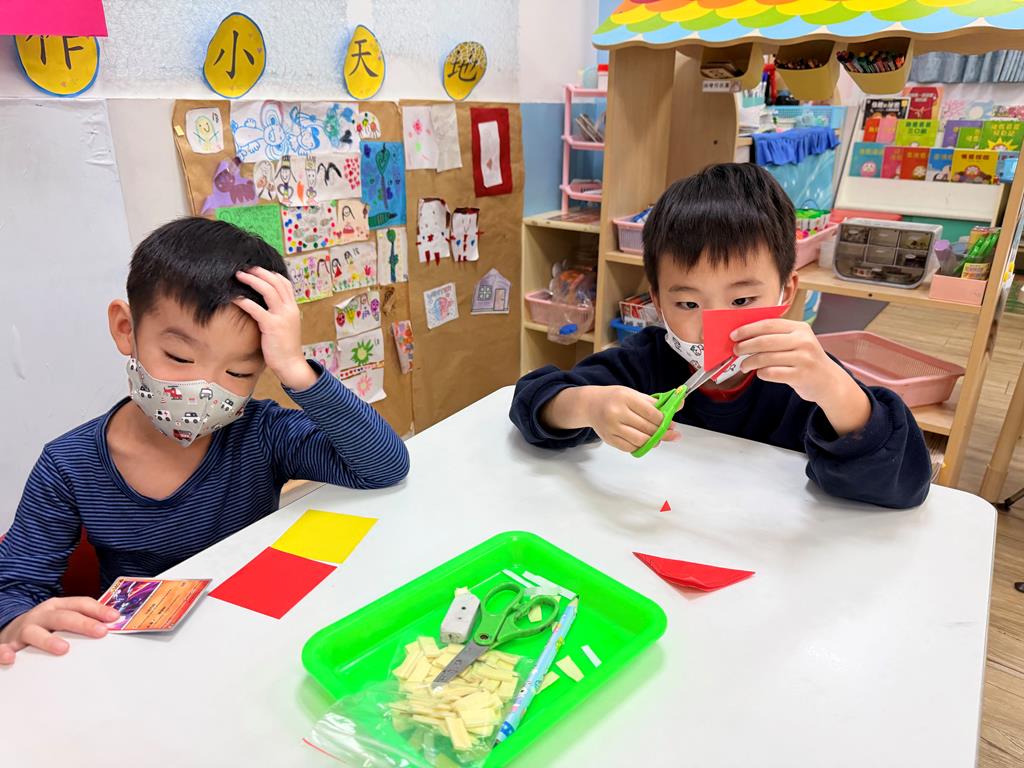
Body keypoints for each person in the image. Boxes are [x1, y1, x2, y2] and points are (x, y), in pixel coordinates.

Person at [0, 217, 409, 664]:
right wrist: (18, 620)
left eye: (239, 372)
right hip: (138, 660)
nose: (204, 389)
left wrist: (295, 369)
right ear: (125, 328)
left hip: (253, 640)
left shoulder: (261, 432)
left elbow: (382, 467)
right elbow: (15, 585)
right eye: (179, 357)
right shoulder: (68, 465)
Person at [510, 163, 930, 509]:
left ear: (785, 292)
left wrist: (835, 392)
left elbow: (905, 485)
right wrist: (588, 405)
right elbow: (532, 400)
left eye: (742, 300)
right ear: (657, 301)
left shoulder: (807, 379)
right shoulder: (644, 362)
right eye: (688, 303)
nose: (713, 326)